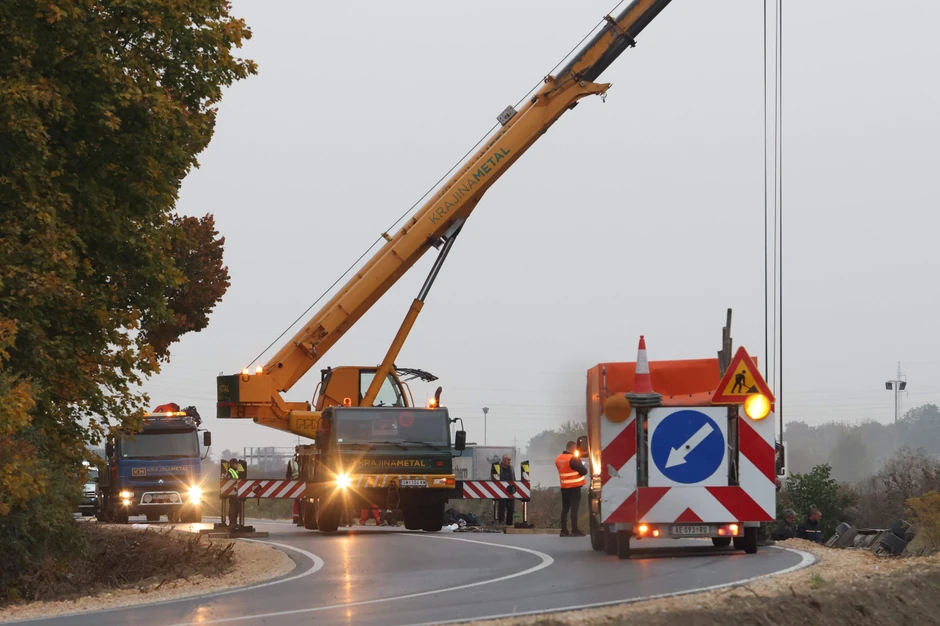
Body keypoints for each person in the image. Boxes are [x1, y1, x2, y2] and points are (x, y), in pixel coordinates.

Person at [556, 441, 588, 537]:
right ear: (572, 448)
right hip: (575, 487)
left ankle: (564, 531)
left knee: (565, 509)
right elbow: (584, 471)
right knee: (574, 509)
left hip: (564, 487)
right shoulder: (573, 458)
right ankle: (574, 530)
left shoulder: (558, 459)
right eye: (575, 449)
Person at [494, 454, 516, 526]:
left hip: (510, 492)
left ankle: (509, 524)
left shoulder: (511, 468)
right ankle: (501, 523)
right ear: (503, 460)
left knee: (511, 508)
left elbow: (514, 479)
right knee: (501, 508)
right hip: (501, 492)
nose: (509, 462)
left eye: (510, 460)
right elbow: (494, 478)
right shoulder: (498, 468)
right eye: (508, 460)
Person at [286, 446, 302, 525]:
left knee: (302, 500)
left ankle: (299, 518)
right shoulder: (292, 461)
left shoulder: (306, 458)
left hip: (304, 481)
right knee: (298, 500)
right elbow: (288, 473)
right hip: (296, 481)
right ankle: (298, 518)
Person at [226, 457, 242, 529]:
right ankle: (232, 522)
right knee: (233, 507)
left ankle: (234, 522)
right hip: (232, 493)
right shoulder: (230, 471)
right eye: (236, 464)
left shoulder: (236, 471)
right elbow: (230, 482)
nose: (237, 465)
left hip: (237, 492)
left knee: (237, 508)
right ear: (233, 464)